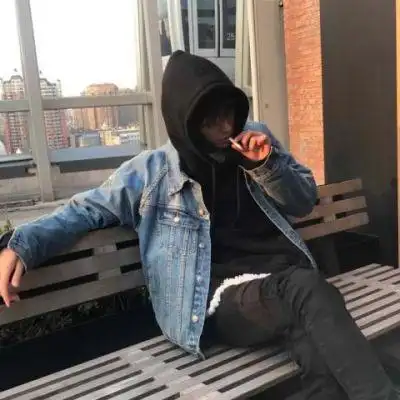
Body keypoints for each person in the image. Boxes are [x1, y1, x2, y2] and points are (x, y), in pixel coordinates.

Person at [0, 51, 397, 400]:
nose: (225, 128)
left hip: (285, 287)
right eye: (211, 121)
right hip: (219, 300)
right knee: (310, 292)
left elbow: (303, 199)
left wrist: (265, 166)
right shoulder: (151, 172)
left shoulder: (256, 139)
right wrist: (20, 245)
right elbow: (84, 210)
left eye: (229, 114)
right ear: (185, 123)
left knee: (321, 359)